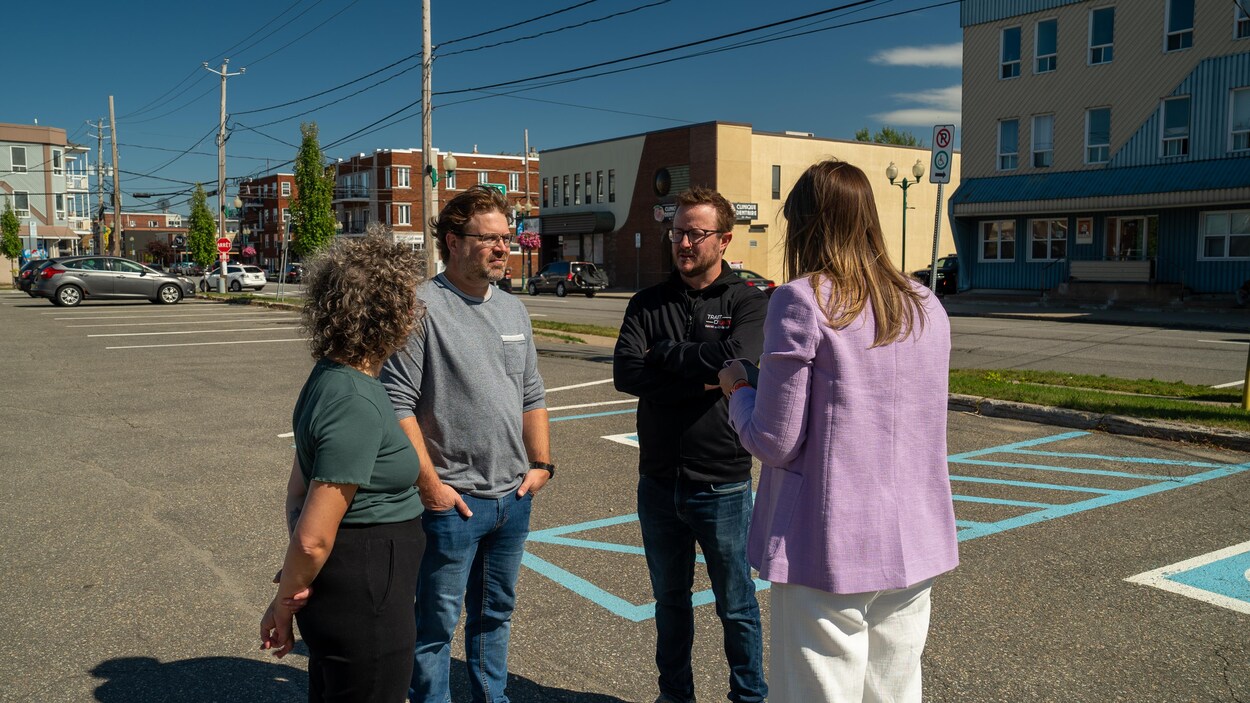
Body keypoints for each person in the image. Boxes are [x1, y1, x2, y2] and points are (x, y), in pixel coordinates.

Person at [717, 159, 959, 703]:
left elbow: (774, 440)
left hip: (827, 540)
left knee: (819, 692)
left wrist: (739, 389)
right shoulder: (925, 304)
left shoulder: (803, 299)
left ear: (804, 225)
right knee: (894, 691)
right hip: (914, 538)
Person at [381, 184, 551, 703]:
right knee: (435, 625)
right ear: (453, 242)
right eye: (489, 239)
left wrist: (541, 464)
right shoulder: (420, 307)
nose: (503, 248)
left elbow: (531, 393)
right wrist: (431, 487)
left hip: (512, 498)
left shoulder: (513, 310)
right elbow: (397, 403)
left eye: (507, 238)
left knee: (495, 615)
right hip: (453, 503)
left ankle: (491, 698)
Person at [613, 186, 769, 703]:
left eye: (695, 234)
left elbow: (739, 359)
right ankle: (675, 696)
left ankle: (748, 697)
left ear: (724, 239)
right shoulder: (647, 302)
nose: (683, 242)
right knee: (670, 603)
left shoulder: (747, 300)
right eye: (677, 232)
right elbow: (626, 373)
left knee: (737, 605)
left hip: (722, 482)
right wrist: (706, 376)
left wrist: (663, 355)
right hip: (658, 482)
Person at [259, 235, 428, 702]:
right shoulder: (354, 399)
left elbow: (297, 495)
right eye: (410, 302)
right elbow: (312, 537)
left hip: (353, 585)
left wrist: (296, 584)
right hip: (366, 594)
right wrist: (285, 600)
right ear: (391, 313)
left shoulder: (331, 377)